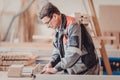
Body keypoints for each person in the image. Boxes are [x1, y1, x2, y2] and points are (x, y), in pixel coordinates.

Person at [38, 2, 100, 75]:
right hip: (74, 70)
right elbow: (57, 50)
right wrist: (51, 63)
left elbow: (74, 53)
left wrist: (56, 68)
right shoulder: (58, 29)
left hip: (87, 70)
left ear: (55, 16)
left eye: (47, 23)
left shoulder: (73, 25)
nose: (47, 26)